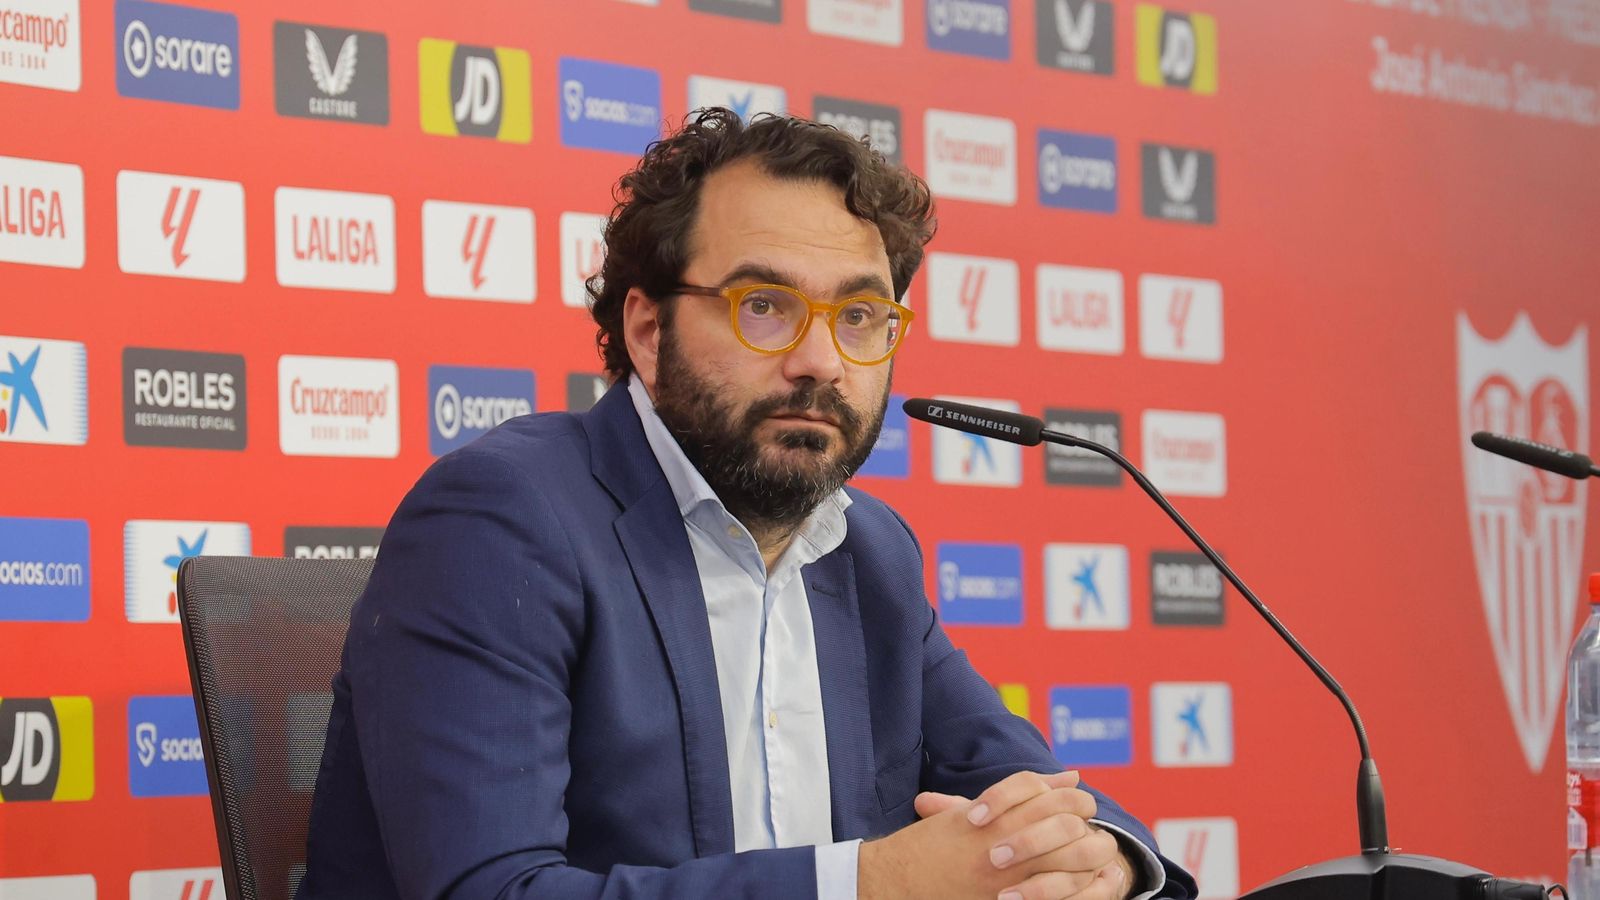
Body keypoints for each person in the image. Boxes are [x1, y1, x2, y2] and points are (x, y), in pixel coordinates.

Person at [298, 108, 1196, 900]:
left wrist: (1102, 862)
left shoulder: (869, 553)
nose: (822, 361)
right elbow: (492, 890)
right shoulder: (505, 519)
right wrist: (871, 885)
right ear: (647, 333)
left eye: (861, 317)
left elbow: (1041, 787)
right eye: (765, 306)